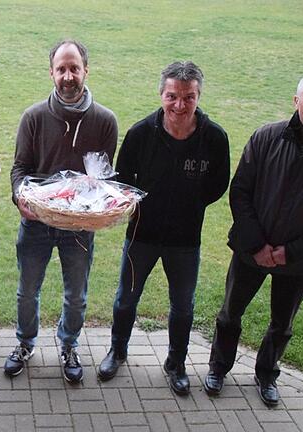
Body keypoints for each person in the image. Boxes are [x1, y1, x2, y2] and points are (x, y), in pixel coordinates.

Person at [204, 71, 303, 406]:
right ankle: (219, 367)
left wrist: (288, 253)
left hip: (300, 261)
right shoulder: (266, 137)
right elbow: (241, 192)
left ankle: (266, 375)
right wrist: (258, 246)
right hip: (252, 251)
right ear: (296, 101)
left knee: (282, 324)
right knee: (230, 313)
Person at [97, 62, 230, 395]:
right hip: (141, 236)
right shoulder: (141, 134)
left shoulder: (214, 138)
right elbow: (123, 181)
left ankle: (176, 362)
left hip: (186, 240)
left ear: (199, 96)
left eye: (189, 97)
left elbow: (218, 184)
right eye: (172, 96)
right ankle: (118, 350)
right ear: (161, 94)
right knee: (126, 299)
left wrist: (190, 203)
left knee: (183, 305)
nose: (180, 105)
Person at [5, 39, 118, 383]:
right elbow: (20, 169)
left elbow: (105, 179)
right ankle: (25, 343)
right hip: (36, 223)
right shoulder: (34, 117)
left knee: (76, 294)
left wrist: (97, 205)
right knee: (27, 290)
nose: (68, 76)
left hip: (79, 227)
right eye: (61, 69)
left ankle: (69, 345)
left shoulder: (104, 121)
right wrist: (20, 198)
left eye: (74, 69)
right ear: (51, 72)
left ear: (86, 70)